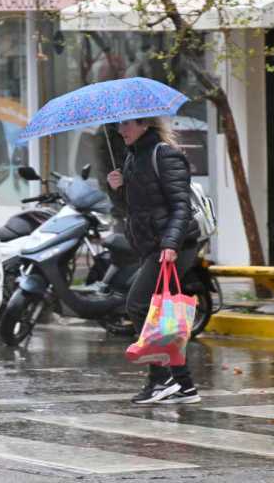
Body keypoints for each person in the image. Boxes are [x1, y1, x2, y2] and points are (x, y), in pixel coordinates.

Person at [107, 116, 201, 405]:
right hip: (153, 246)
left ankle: (161, 379)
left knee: (138, 304)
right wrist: (119, 189)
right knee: (161, 313)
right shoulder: (133, 158)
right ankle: (184, 386)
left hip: (174, 245)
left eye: (126, 124)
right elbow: (134, 208)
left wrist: (171, 244)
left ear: (144, 124)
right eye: (119, 125)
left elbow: (180, 206)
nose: (121, 130)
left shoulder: (165, 155)